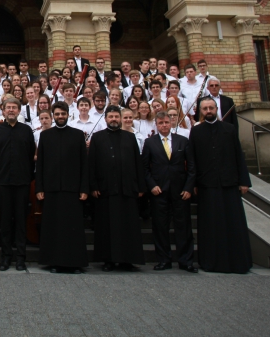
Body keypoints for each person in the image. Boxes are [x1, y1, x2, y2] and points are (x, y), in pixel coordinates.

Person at [186, 97, 252, 273]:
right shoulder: (196, 132)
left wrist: (244, 181)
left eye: (211, 108)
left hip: (229, 183)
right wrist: (192, 184)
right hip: (207, 185)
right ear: (200, 111)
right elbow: (192, 160)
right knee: (210, 225)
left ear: (216, 109)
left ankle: (238, 262)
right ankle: (211, 262)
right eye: (205, 108)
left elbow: (238, 155)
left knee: (233, 224)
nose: (208, 111)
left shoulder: (229, 129)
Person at [88, 106, 146, 272]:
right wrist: (93, 186)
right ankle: (109, 260)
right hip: (105, 189)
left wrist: (141, 186)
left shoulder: (130, 137)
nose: (113, 119)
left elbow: (137, 162)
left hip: (127, 189)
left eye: (116, 117)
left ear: (120, 119)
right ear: (105, 119)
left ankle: (128, 259)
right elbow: (91, 164)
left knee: (129, 226)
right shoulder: (97, 138)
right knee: (107, 227)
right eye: (111, 117)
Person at [35, 101, 89, 273]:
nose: (60, 117)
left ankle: (74, 263)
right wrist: (39, 188)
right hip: (51, 189)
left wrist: (84, 188)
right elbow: (41, 164)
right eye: (57, 114)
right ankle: (54, 262)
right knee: (54, 228)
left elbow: (84, 164)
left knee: (73, 228)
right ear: (53, 116)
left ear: (68, 115)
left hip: (72, 189)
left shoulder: (78, 135)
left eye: (63, 114)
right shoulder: (46, 136)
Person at [142, 111, 196, 273]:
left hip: (180, 192)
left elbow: (192, 168)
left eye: (166, 122)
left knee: (184, 227)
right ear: (156, 125)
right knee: (160, 227)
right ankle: (164, 260)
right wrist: (151, 185)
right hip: (159, 191)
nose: (164, 125)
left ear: (171, 122)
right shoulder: (149, 143)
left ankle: (185, 261)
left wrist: (188, 188)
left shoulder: (183, 141)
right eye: (161, 123)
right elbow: (144, 168)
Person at [0, 98, 36, 271]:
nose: (11, 110)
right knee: (5, 220)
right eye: (8, 107)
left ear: (19, 111)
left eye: (14, 108)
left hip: (22, 181)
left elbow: (31, 155)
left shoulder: (26, 130)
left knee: (21, 220)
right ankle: (6, 256)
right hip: (3, 181)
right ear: (3, 110)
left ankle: (21, 257)